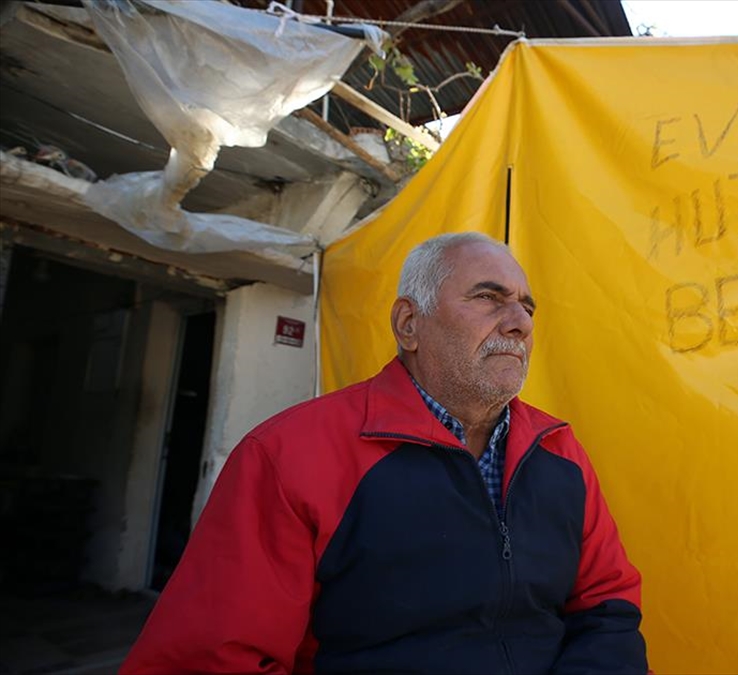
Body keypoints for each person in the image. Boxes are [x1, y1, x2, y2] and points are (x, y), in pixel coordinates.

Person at [121, 232, 648, 674]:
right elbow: (213, 657)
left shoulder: (559, 451)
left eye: (526, 306)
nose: (520, 322)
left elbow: (608, 603)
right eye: (489, 297)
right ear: (408, 325)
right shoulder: (288, 455)